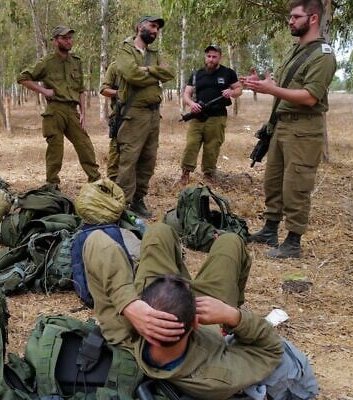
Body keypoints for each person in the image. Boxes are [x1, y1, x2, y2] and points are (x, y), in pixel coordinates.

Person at [83, 223, 317, 399]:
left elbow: (95, 240)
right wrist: (233, 316)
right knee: (231, 242)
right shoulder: (214, 375)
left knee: (159, 232)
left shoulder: (122, 331)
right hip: (212, 315)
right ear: (194, 323)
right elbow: (271, 349)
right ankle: (232, 303)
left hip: (162, 299)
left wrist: (128, 304)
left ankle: (162, 288)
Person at [241, 0, 336, 258]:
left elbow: (310, 97)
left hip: (304, 129)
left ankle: (293, 242)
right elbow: (285, 86)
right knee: (273, 182)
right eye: (290, 17)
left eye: (295, 17)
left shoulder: (323, 55)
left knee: (296, 186)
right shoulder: (295, 51)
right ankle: (270, 230)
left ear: (313, 18)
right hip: (282, 126)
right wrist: (261, 84)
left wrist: (272, 89)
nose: (290, 21)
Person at [18, 25, 100, 188]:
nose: (69, 41)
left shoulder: (76, 62)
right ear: (55, 41)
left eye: (70, 38)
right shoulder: (47, 62)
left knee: (85, 146)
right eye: (64, 38)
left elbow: (81, 90)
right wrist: (44, 91)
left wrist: (83, 114)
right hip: (55, 111)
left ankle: (96, 182)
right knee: (55, 150)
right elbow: (22, 78)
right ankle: (52, 186)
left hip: (72, 111)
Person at [114, 16, 174, 218]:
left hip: (154, 114)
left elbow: (170, 73)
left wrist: (148, 69)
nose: (155, 31)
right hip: (134, 113)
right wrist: (157, 75)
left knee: (148, 159)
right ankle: (122, 204)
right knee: (129, 160)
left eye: (157, 28)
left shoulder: (154, 54)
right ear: (140, 26)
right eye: (152, 26)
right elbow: (132, 76)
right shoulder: (125, 51)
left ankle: (138, 200)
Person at [179, 45, 242, 185]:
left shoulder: (228, 73)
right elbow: (187, 94)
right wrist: (191, 104)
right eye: (208, 56)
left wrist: (231, 92)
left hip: (217, 116)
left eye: (214, 57)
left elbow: (239, 89)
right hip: (198, 116)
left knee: (212, 146)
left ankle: (208, 174)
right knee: (191, 144)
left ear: (220, 57)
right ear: (205, 57)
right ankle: (185, 172)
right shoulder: (196, 74)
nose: (211, 59)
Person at [99, 61, 121, 181]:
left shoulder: (148, 64)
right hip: (121, 115)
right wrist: (120, 93)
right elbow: (104, 90)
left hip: (142, 117)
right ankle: (113, 181)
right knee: (116, 149)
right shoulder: (116, 66)